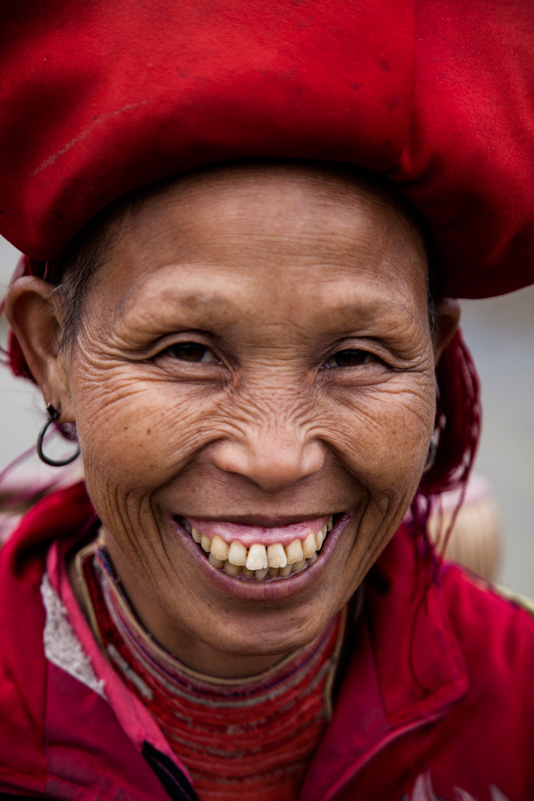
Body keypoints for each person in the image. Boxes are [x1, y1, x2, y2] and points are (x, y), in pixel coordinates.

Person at [0, 3, 533, 800]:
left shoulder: (516, 709)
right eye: (187, 351)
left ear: (434, 355)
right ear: (51, 353)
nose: (277, 458)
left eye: (356, 357)